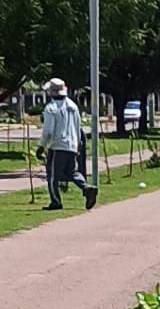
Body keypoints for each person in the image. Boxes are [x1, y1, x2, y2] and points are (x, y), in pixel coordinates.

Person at [37, 78, 96, 212]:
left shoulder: (51, 108)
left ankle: (56, 202)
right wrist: (78, 145)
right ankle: (86, 188)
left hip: (57, 146)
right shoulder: (73, 106)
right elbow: (78, 127)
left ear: (51, 92)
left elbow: (48, 131)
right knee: (73, 172)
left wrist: (42, 146)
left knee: (52, 176)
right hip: (72, 145)